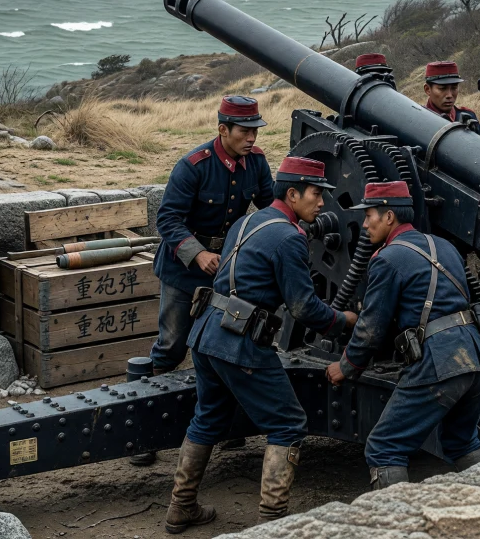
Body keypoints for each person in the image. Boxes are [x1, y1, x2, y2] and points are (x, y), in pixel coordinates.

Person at [165, 156, 357, 533]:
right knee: (287, 424)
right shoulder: (290, 237)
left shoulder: (247, 221)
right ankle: (272, 522)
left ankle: (180, 506)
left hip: (205, 333)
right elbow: (304, 308)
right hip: (241, 342)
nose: (322, 204)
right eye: (317, 194)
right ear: (292, 193)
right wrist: (344, 321)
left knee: (208, 418)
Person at [326, 181, 480, 487]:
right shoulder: (444, 247)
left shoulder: (387, 259)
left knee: (384, 448)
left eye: (370, 215)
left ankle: (400, 525)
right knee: (462, 442)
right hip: (478, 357)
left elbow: (370, 328)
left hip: (441, 362)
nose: (364, 224)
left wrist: (347, 366)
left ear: (389, 217)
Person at [145, 96, 273, 466]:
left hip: (226, 271)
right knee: (171, 346)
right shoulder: (193, 166)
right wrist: (197, 253)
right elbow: (168, 220)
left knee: (221, 346)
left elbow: (270, 208)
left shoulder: (257, 163)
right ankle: (147, 432)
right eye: (245, 131)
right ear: (223, 130)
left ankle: (225, 426)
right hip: (183, 271)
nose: (251, 138)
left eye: (255, 131)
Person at [422, 60, 480, 135]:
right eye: (442, 88)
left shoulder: (469, 117)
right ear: (427, 89)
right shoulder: (420, 121)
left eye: (454, 88)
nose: (449, 95)